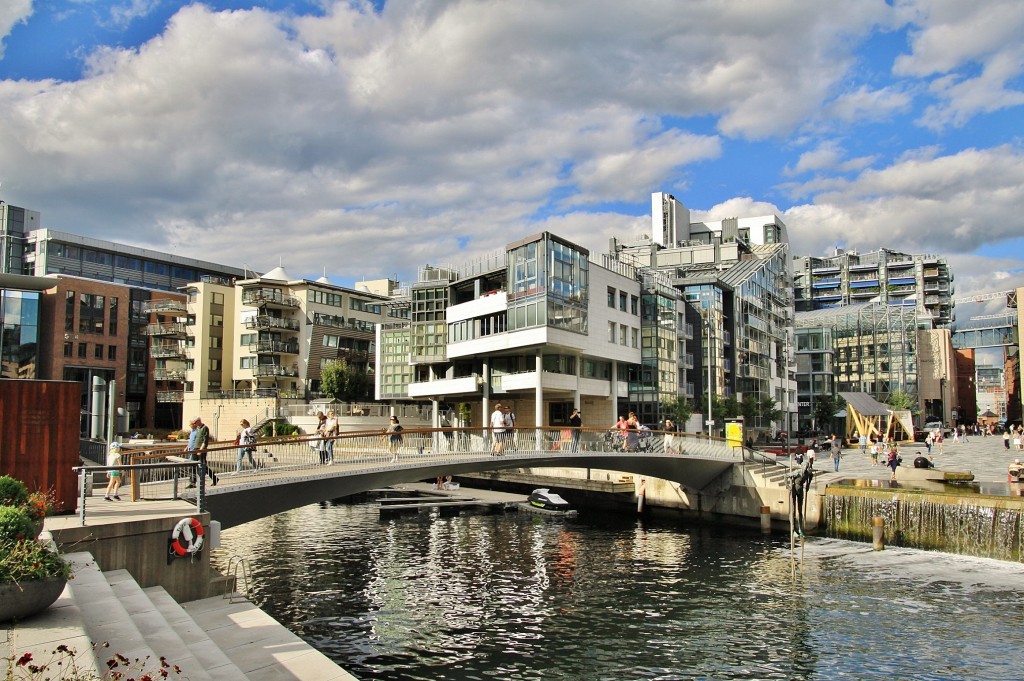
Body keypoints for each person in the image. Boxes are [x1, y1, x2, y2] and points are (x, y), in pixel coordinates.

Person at [185, 416, 217, 488]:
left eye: (195, 422)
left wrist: (201, 449)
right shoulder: (198, 429)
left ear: (199, 421)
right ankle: (192, 482)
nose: (195, 424)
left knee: (203, 466)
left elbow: (205, 440)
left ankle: (214, 478)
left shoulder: (205, 428)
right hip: (195, 449)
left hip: (200, 450)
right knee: (192, 465)